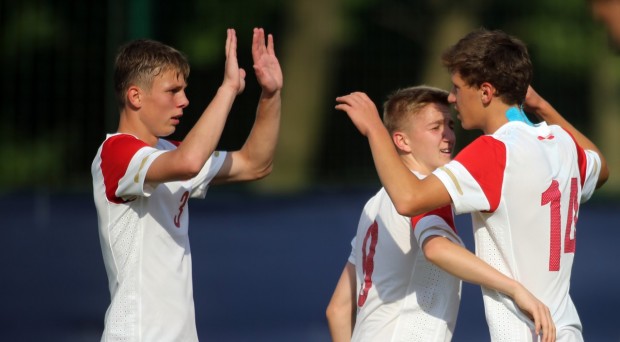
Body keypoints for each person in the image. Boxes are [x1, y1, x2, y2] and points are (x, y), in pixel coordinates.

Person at [336, 28, 608, 342]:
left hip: (524, 331)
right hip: (566, 330)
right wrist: (542, 105)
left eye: (457, 87)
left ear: (486, 92)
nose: (452, 98)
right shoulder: (562, 142)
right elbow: (600, 169)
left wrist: (374, 129)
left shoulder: (493, 151)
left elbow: (409, 199)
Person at [91, 27, 282, 341]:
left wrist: (271, 94)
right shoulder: (116, 152)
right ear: (135, 96)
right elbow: (190, 162)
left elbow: (255, 164)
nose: (184, 101)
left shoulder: (169, 152)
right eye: (172, 91)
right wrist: (228, 89)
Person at [327, 86, 555, 342]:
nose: (447, 135)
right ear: (402, 141)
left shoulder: (374, 206)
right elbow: (436, 249)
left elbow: (338, 309)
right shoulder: (422, 191)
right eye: (435, 128)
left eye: (450, 125)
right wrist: (515, 289)